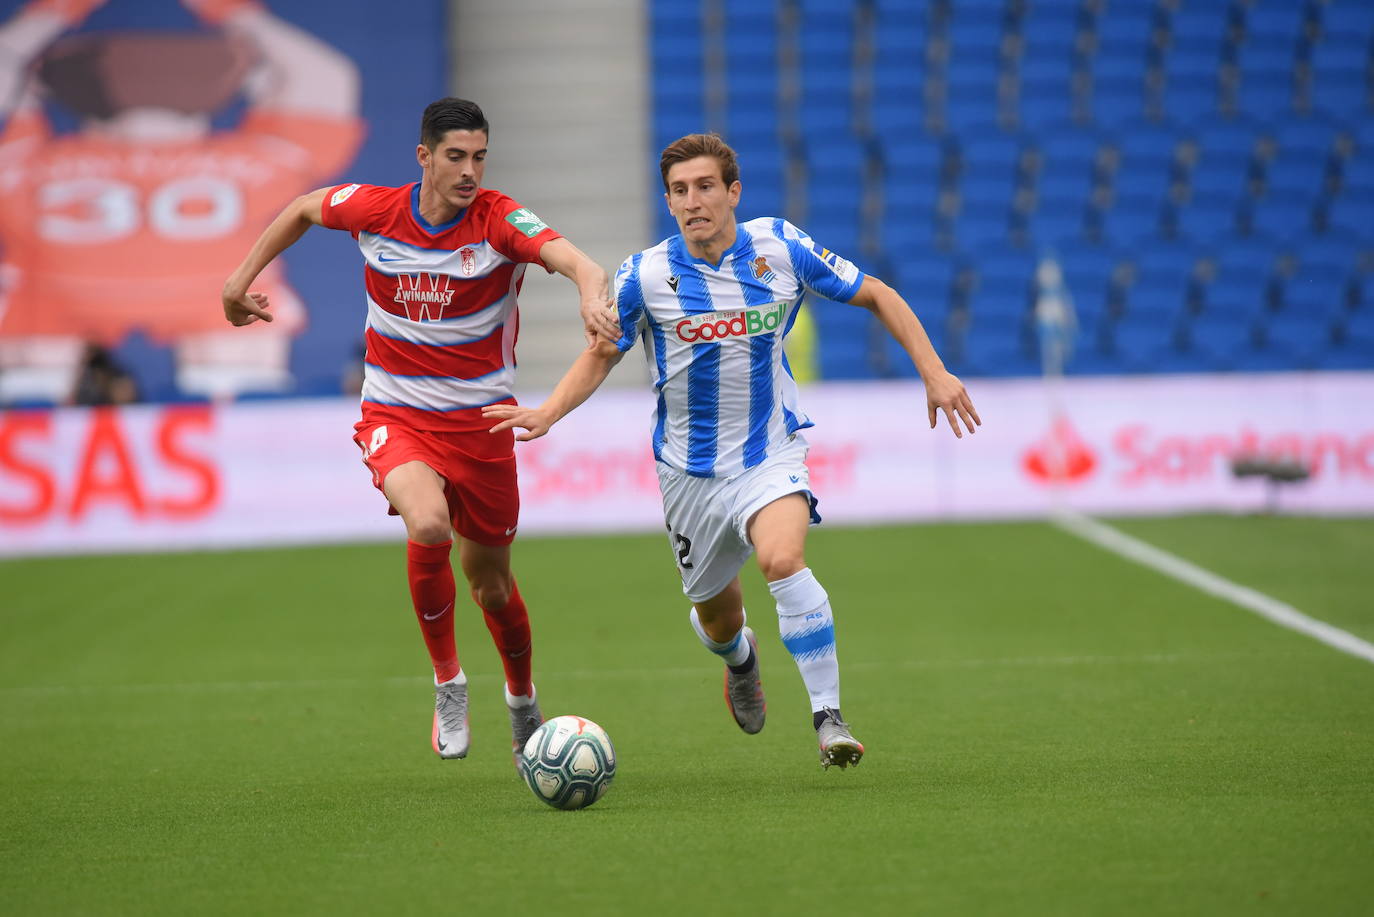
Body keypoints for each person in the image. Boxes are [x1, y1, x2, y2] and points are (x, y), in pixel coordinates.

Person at [484, 133, 980, 769]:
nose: (694, 201)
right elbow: (603, 353)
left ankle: (829, 718)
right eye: (680, 191)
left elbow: (877, 293)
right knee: (718, 618)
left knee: (782, 558)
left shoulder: (781, 246)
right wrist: (548, 412)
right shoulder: (647, 275)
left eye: (706, 187)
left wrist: (934, 372)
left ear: (733, 192)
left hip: (769, 452)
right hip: (688, 473)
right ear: (669, 201)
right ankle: (739, 659)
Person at [221, 97, 618, 762]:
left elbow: (583, 262)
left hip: (482, 424)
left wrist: (588, 292)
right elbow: (298, 209)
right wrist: (238, 282)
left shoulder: (497, 221)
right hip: (396, 414)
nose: (469, 171)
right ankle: (448, 681)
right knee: (427, 522)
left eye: (479, 157)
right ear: (424, 157)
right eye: (456, 157)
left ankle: (521, 695)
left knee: (491, 582)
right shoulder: (375, 211)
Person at [0, 0, 364, 403]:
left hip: (197, 303)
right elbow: (323, 78)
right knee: (30, 396)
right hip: (74, 302)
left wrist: (51, 14)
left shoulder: (27, 159)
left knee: (33, 386)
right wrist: (237, 16)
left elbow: (326, 78)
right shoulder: (256, 158)